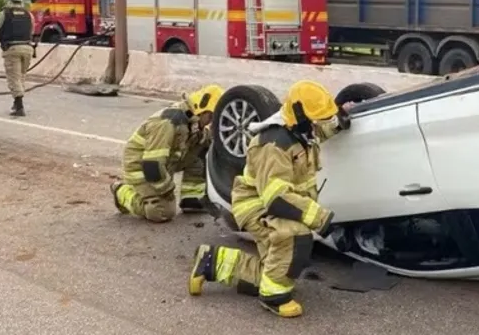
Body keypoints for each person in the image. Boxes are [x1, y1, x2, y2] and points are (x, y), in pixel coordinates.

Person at [188, 80, 352, 318]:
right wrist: (321, 219)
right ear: (301, 117)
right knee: (293, 236)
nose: (320, 125)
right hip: (257, 204)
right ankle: (273, 298)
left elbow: (321, 131)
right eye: (317, 120)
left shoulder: (301, 131)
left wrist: (342, 118)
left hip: (273, 201)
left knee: (275, 268)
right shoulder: (273, 145)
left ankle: (211, 261)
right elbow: (277, 199)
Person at [110, 84, 224, 222]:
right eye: (211, 116)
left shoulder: (191, 123)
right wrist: (167, 190)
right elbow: (152, 165)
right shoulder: (168, 121)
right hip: (140, 167)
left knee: (205, 145)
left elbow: (206, 141)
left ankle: (192, 198)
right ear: (202, 109)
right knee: (161, 211)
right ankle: (122, 192)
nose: (212, 122)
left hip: (163, 164)